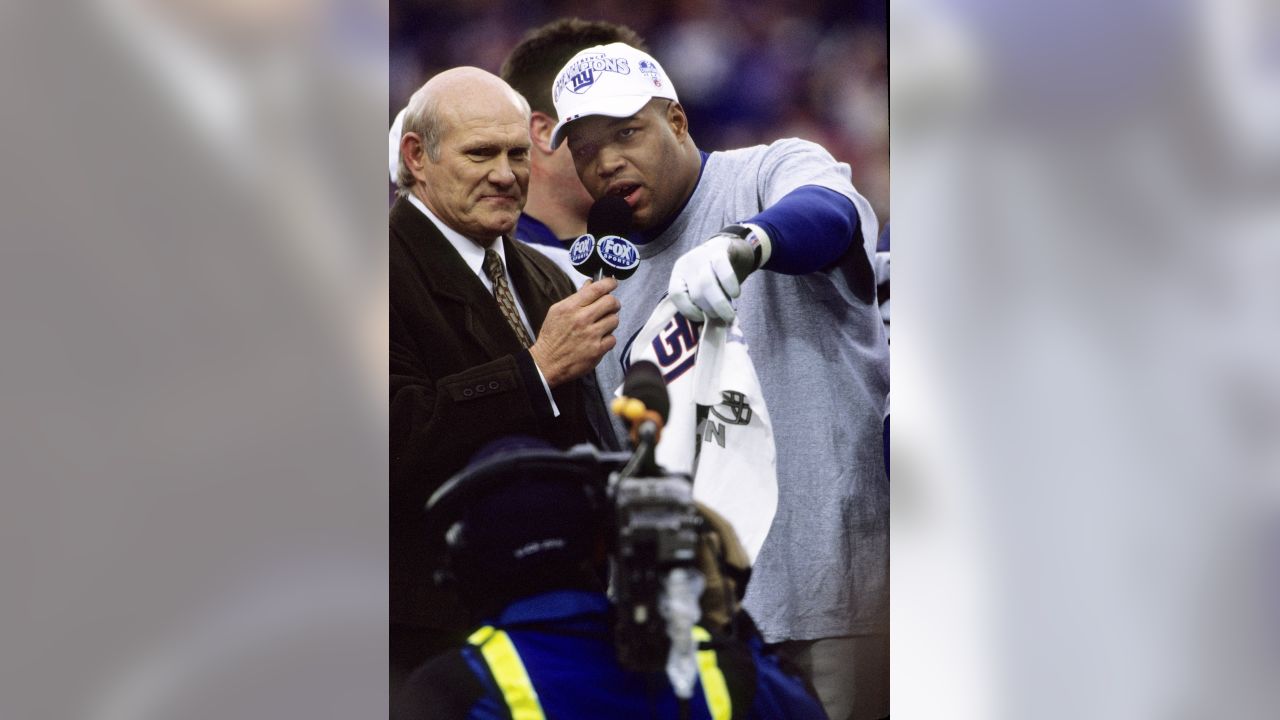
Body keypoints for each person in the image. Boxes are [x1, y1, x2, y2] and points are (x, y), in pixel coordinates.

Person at [550, 44, 890, 720]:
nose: (607, 162)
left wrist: (749, 244)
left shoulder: (765, 172)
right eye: (585, 149)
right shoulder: (597, 285)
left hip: (834, 592)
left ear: (676, 121)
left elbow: (831, 214)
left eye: (627, 132)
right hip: (703, 624)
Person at [389, 67, 622, 687]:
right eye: (480, 153)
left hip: (552, 618)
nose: (505, 173)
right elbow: (391, 435)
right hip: (424, 631)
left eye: (518, 153)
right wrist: (535, 370)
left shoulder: (542, 277)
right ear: (417, 157)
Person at [395, 435, 830, 720]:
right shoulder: (716, 667)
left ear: (465, 562)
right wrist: (728, 622)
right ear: (604, 542)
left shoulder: (451, 691)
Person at [499, 18, 648, 250]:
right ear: (545, 132)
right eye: (622, 130)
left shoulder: (666, 238)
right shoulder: (495, 261)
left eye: (630, 132)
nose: (619, 160)